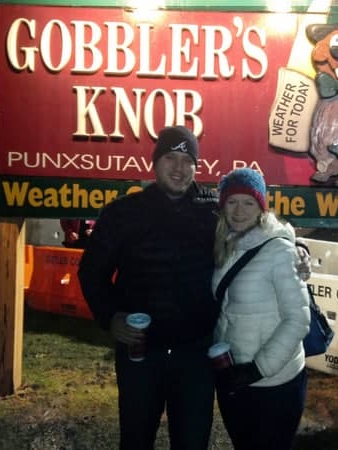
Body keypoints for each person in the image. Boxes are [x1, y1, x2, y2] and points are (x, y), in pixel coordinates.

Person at [77, 126, 312, 449]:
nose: (179, 168)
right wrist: (110, 317)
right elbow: (91, 272)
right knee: (135, 439)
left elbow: (260, 225)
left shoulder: (212, 209)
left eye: (187, 160)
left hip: (197, 356)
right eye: (170, 158)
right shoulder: (122, 213)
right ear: (154, 162)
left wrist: (297, 245)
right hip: (142, 353)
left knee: (192, 442)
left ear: (196, 167)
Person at [211, 168, 311, 450]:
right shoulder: (225, 244)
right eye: (232, 202)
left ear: (261, 206)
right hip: (233, 377)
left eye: (248, 202)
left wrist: (257, 370)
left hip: (275, 384)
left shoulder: (279, 251)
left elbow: (298, 320)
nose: (239, 211)